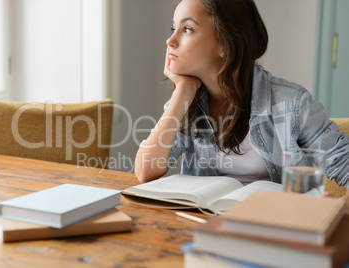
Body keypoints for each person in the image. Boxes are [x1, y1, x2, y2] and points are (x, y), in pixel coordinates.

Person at [134, 0, 349, 203]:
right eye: (173, 29)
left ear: (225, 44)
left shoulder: (292, 103)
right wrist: (182, 91)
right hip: (204, 225)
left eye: (187, 29)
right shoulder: (187, 102)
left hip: (276, 228)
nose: (170, 41)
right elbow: (145, 171)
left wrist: (338, 211)